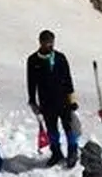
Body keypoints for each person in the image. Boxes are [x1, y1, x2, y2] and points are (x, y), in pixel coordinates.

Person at [26, 29, 80, 167]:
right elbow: (31, 82)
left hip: (63, 99)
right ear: (41, 43)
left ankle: (72, 151)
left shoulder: (60, 57)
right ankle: (56, 152)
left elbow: (68, 79)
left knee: (69, 127)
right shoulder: (33, 60)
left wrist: (72, 99)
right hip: (46, 101)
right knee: (51, 129)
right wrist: (32, 100)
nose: (50, 45)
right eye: (47, 43)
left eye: (52, 42)